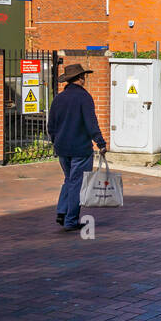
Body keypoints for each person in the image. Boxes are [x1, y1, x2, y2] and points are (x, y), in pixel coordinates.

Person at [47, 62, 107, 232]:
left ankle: (62, 211)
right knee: (76, 183)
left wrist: (55, 140)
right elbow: (91, 123)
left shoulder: (58, 98)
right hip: (80, 148)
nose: (85, 79)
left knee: (69, 180)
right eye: (84, 76)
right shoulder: (84, 98)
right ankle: (71, 220)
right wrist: (100, 143)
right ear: (80, 78)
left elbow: (51, 125)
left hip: (62, 147)